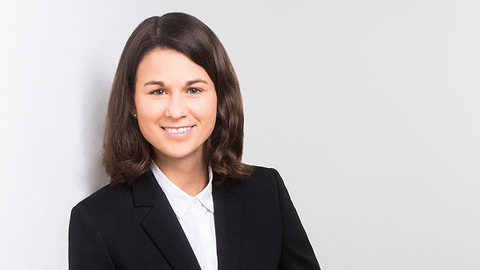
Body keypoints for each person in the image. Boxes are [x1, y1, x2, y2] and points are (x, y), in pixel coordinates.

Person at [69, 12, 321, 270]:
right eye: (158, 91)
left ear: (219, 96)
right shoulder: (96, 221)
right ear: (132, 103)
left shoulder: (267, 193)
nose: (176, 111)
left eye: (193, 90)